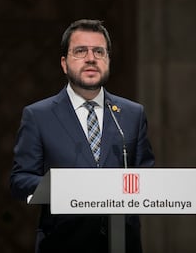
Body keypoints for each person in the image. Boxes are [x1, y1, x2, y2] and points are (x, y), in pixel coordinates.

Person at [10, 19, 155, 253]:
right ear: (64, 64)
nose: (91, 58)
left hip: (121, 244)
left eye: (99, 51)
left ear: (108, 61)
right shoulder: (38, 116)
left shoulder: (131, 114)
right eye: (80, 51)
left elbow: (147, 179)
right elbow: (20, 181)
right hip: (62, 243)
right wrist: (66, 188)